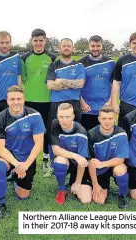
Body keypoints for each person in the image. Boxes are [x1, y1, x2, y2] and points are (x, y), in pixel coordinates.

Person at [0, 86, 45, 219]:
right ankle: (1, 204)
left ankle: (14, 179)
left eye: (19, 99)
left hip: (26, 159)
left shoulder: (35, 116)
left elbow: (39, 144)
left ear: (24, 99)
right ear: (7, 101)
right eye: (12, 99)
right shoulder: (0, 118)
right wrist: (17, 164)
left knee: (23, 196)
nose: (16, 102)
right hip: (8, 157)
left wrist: (25, 165)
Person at [44, 38, 85, 177]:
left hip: (74, 103)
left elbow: (80, 84)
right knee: (53, 133)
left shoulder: (79, 66)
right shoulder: (53, 65)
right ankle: (53, 164)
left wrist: (61, 81)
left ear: (73, 48)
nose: (66, 48)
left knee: (75, 133)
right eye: (64, 46)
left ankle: (75, 164)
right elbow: (50, 85)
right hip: (56, 103)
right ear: (59, 48)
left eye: (69, 46)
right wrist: (70, 83)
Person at [22, 29, 57, 173]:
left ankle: (45, 158)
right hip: (29, 100)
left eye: (40, 40)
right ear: (31, 41)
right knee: (29, 132)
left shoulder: (53, 58)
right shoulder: (24, 58)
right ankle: (28, 160)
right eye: (35, 40)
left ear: (45, 41)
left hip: (47, 100)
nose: (38, 43)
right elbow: (22, 79)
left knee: (46, 131)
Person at [87, 106, 130, 208]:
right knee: (99, 200)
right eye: (104, 118)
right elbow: (91, 162)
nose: (107, 122)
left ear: (115, 118)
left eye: (110, 118)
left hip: (114, 164)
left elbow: (121, 159)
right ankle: (105, 187)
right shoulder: (91, 134)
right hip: (100, 169)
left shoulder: (121, 133)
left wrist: (102, 164)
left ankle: (123, 196)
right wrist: (95, 185)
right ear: (98, 119)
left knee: (120, 170)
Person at [50, 103, 91, 204]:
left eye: (68, 117)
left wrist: (77, 183)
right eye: (61, 117)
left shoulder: (81, 132)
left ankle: (76, 181)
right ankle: (62, 190)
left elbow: (82, 161)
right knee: (59, 160)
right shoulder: (55, 124)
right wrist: (74, 155)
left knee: (86, 200)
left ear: (73, 117)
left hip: (79, 165)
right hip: (66, 160)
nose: (64, 120)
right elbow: (56, 150)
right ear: (57, 116)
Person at [78, 35, 115, 132]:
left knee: (104, 138)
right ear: (88, 47)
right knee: (87, 138)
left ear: (102, 46)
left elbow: (115, 85)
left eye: (98, 46)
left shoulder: (110, 63)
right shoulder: (80, 63)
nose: (95, 49)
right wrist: (82, 103)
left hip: (105, 108)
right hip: (86, 108)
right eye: (93, 46)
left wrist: (110, 101)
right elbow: (76, 86)